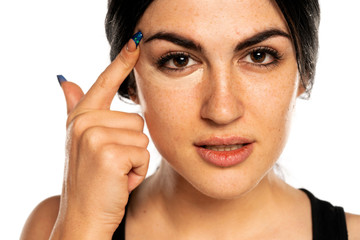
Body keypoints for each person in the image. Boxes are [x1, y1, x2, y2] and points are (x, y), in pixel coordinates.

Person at [20, 0, 360, 239]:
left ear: (304, 73)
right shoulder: (55, 225)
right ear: (131, 82)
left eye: (259, 56)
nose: (222, 110)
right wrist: (83, 229)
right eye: (179, 60)